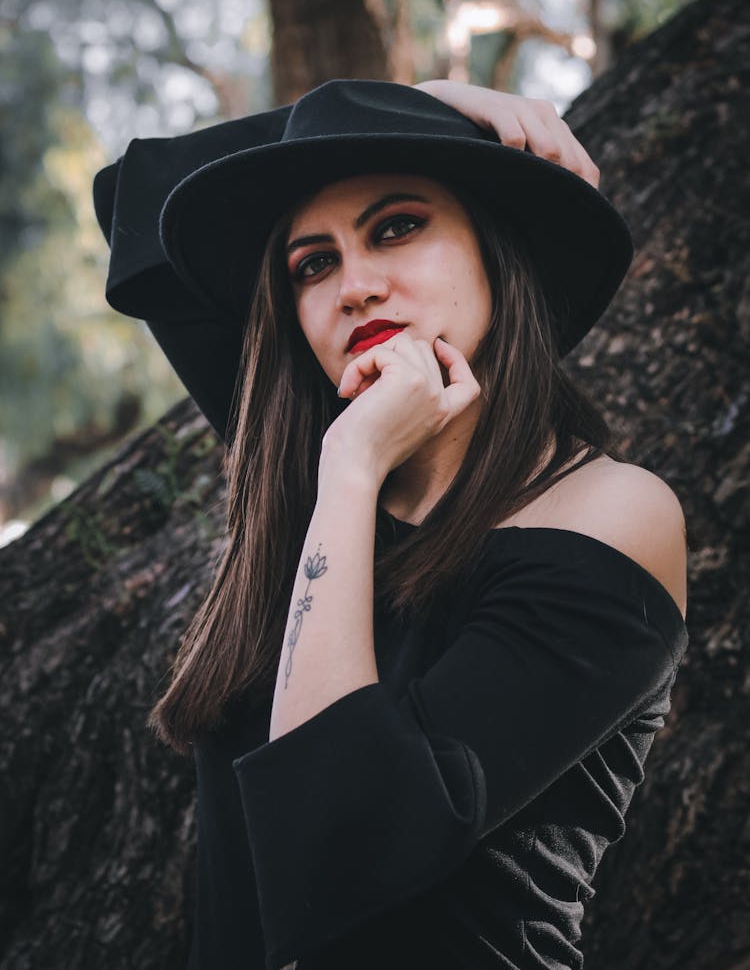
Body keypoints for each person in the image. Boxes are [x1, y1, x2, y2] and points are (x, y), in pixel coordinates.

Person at [93, 78, 689, 970]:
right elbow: (136, 205)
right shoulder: (310, 466)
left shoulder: (612, 512)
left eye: (398, 225)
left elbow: (333, 849)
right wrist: (421, 102)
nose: (355, 287)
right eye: (313, 263)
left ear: (496, 245)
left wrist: (351, 470)